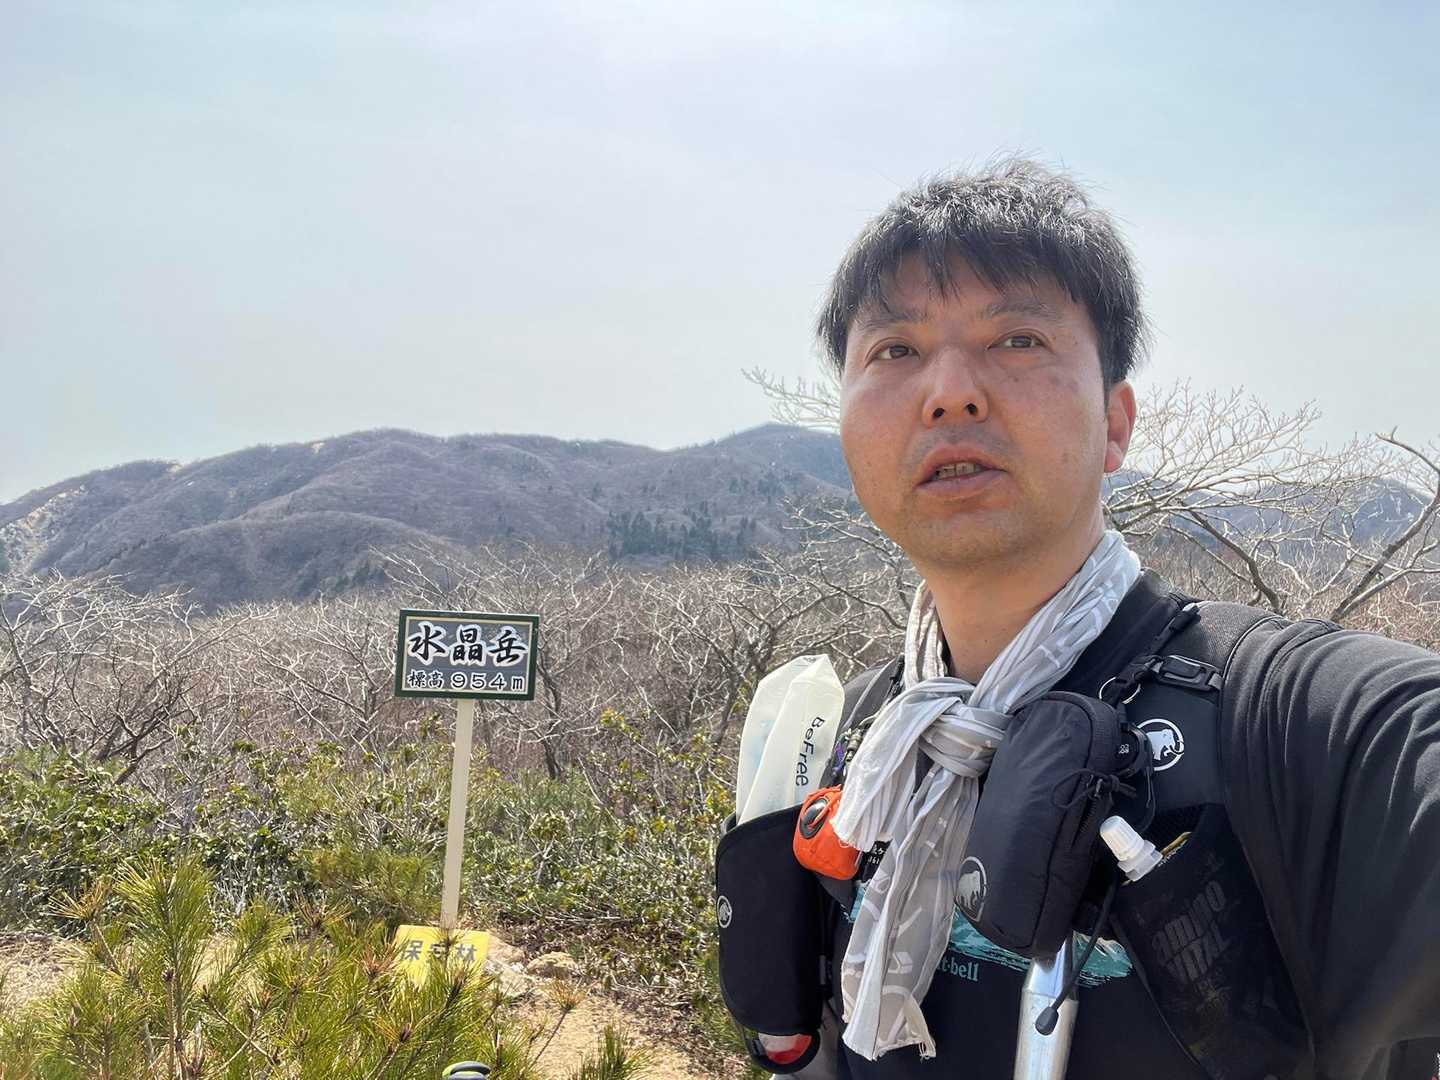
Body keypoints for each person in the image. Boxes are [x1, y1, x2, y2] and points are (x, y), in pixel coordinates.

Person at [743, 159, 1440, 1079]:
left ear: (1116, 424)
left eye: (1018, 338)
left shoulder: (1289, 724)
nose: (949, 391)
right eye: (894, 351)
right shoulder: (864, 737)